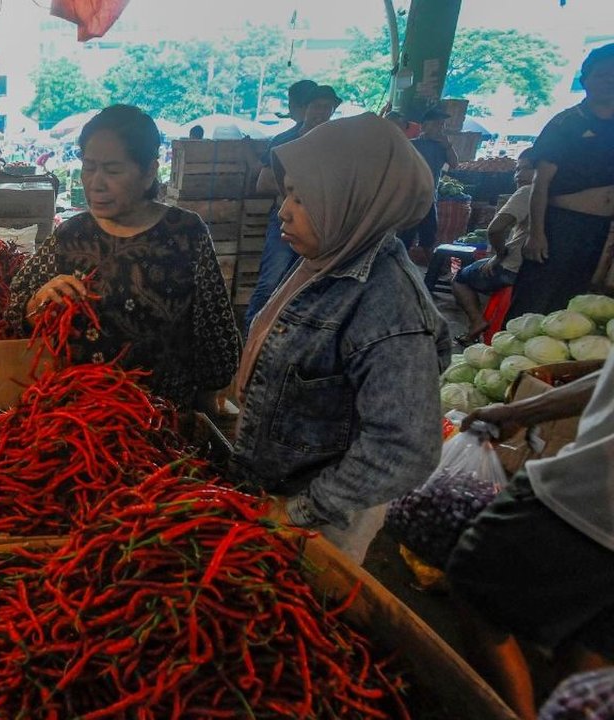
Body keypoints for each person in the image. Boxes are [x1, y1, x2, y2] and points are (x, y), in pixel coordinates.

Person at [231, 113, 450, 563]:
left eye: (303, 197)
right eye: (287, 191)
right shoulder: (328, 255)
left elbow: (405, 447)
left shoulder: (389, 305)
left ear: (356, 199)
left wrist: (300, 510)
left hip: (320, 519)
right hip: (271, 490)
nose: (283, 210)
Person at [6, 104, 240, 413]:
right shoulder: (70, 236)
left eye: (112, 170)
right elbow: (14, 313)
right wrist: (35, 303)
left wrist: (207, 404)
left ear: (149, 172)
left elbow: (215, 340)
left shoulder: (187, 234)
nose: (95, 182)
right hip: (77, 422)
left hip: (161, 422)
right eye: (89, 167)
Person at [448, 357, 614, 719]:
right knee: (589, 644)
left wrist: (521, 411)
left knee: (474, 583)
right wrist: (522, 411)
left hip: (592, 497)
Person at [508, 43, 614, 320]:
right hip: (559, 225)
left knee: (571, 302)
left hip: (598, 229)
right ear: (585, 80)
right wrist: (536, 233)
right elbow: (540, 184)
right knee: (535, 298)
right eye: (603, 74)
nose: (610, 80)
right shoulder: (565, 123)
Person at [245, 82, 338, 331]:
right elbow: (263, 183)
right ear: (304, 109)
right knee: (271, 282)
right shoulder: (284, 141)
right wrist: (300, 187)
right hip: (286, 221)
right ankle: (249, 340)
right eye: (317, 106)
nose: (322, 113)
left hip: (322, 224)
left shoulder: (335, 145)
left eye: (328, 108)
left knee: (310, 284)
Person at [452, 149, 537, 344]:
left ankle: (477, 321)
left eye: (527, 169)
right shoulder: (561, 197)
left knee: (460, 278)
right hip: (536, 271)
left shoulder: (527, 192)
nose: (519, 175)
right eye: (517, 169)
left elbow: (495, 230)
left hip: (512, 268)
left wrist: (499, 255)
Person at [398, 107, 460, 264]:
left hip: (429, 199)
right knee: (405, 236)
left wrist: (448, 146)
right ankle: (399, 264)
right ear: (424, 126)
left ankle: (434, 266)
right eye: (436, 124)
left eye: (442, 125)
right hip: (410, 198)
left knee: (429, 235)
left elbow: (454, 164)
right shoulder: (411, 145)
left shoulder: (442, 147)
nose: (440, 128)